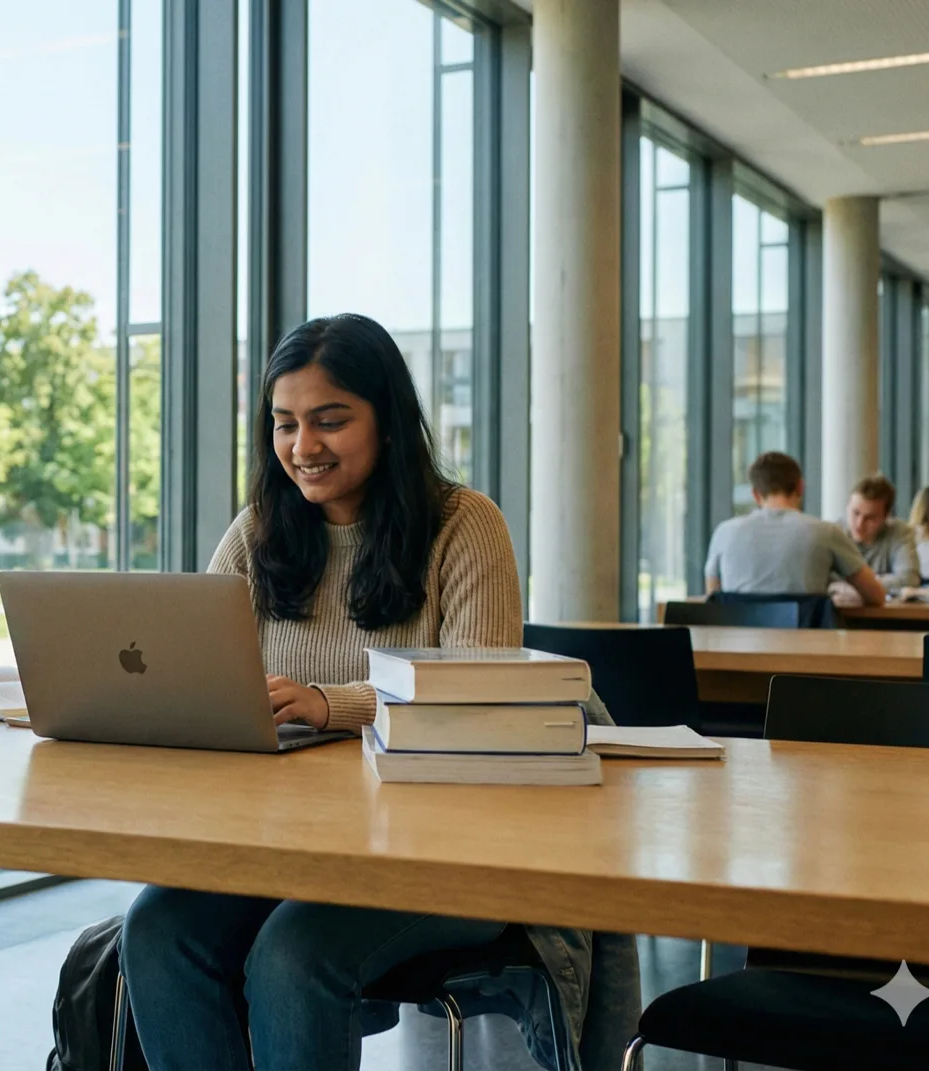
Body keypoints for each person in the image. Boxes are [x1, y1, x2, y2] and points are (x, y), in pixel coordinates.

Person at [118, 314, 637, 1071]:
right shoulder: (257, 531)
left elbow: (481, 697)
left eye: (330, 420)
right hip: (291, 846)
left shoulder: (465, 525)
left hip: (448, 852)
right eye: (285, 423)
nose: (303, 446)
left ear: (388, 421)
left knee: (294, 954)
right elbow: (202, 668)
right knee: (158, 928)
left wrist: (331, 703)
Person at [704, 452, 886, 607]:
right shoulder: (826, 532)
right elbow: (877, 596)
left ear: (755, 494)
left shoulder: (724, 533)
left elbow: (714, 598)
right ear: (800, 486)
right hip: (807, 644)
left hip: (739, 644)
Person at [841, 474, 919, 591]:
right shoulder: (834, 533)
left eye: (870, 518)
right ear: (847, 507)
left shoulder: (900, 533)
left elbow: (909, 579)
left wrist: (851, 584)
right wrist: (877, 582)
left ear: (886, 517)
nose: (859, 524)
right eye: (855, 513)